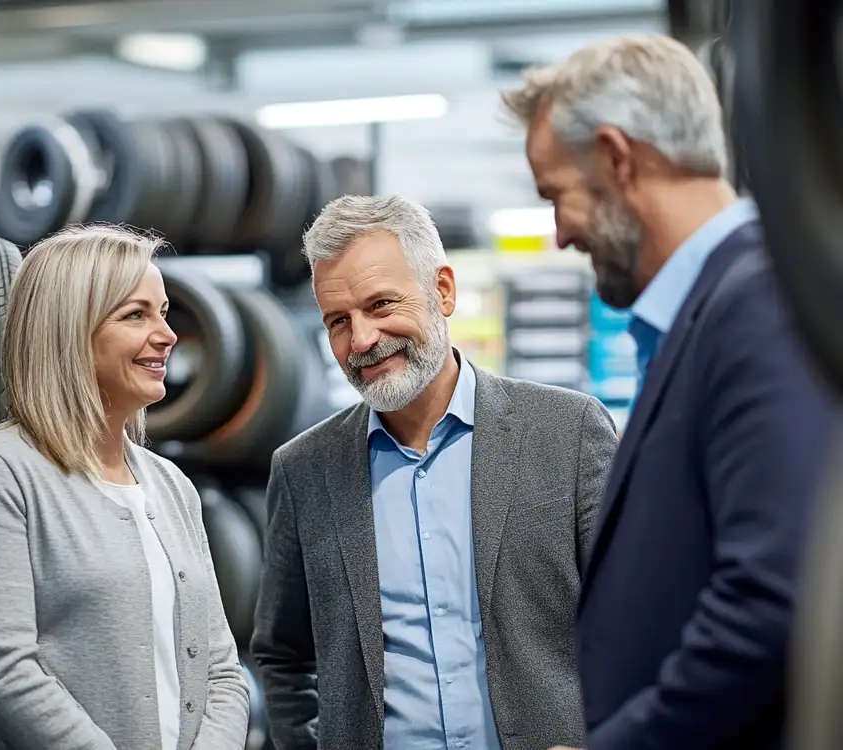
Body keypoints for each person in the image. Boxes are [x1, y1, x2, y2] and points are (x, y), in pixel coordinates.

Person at [502, 34, 838, 750]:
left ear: (619, 159)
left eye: (557, 196)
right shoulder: (707, 309)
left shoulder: (757, 305)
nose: (559, 235)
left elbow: (773, 596)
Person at [251, 194, 619, 750]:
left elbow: (636, 618)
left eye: (380, 305)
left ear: (442, 290)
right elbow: (285, 656)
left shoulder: (567, 432)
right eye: (338, 322)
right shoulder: (305, 470)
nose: (363, 340)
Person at [0, 224, 249, 750]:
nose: (168, 335)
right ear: (68, 331)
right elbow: (2, 674)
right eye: (136, 315)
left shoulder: (172, 485)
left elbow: (221, 664)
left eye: (164, 312)